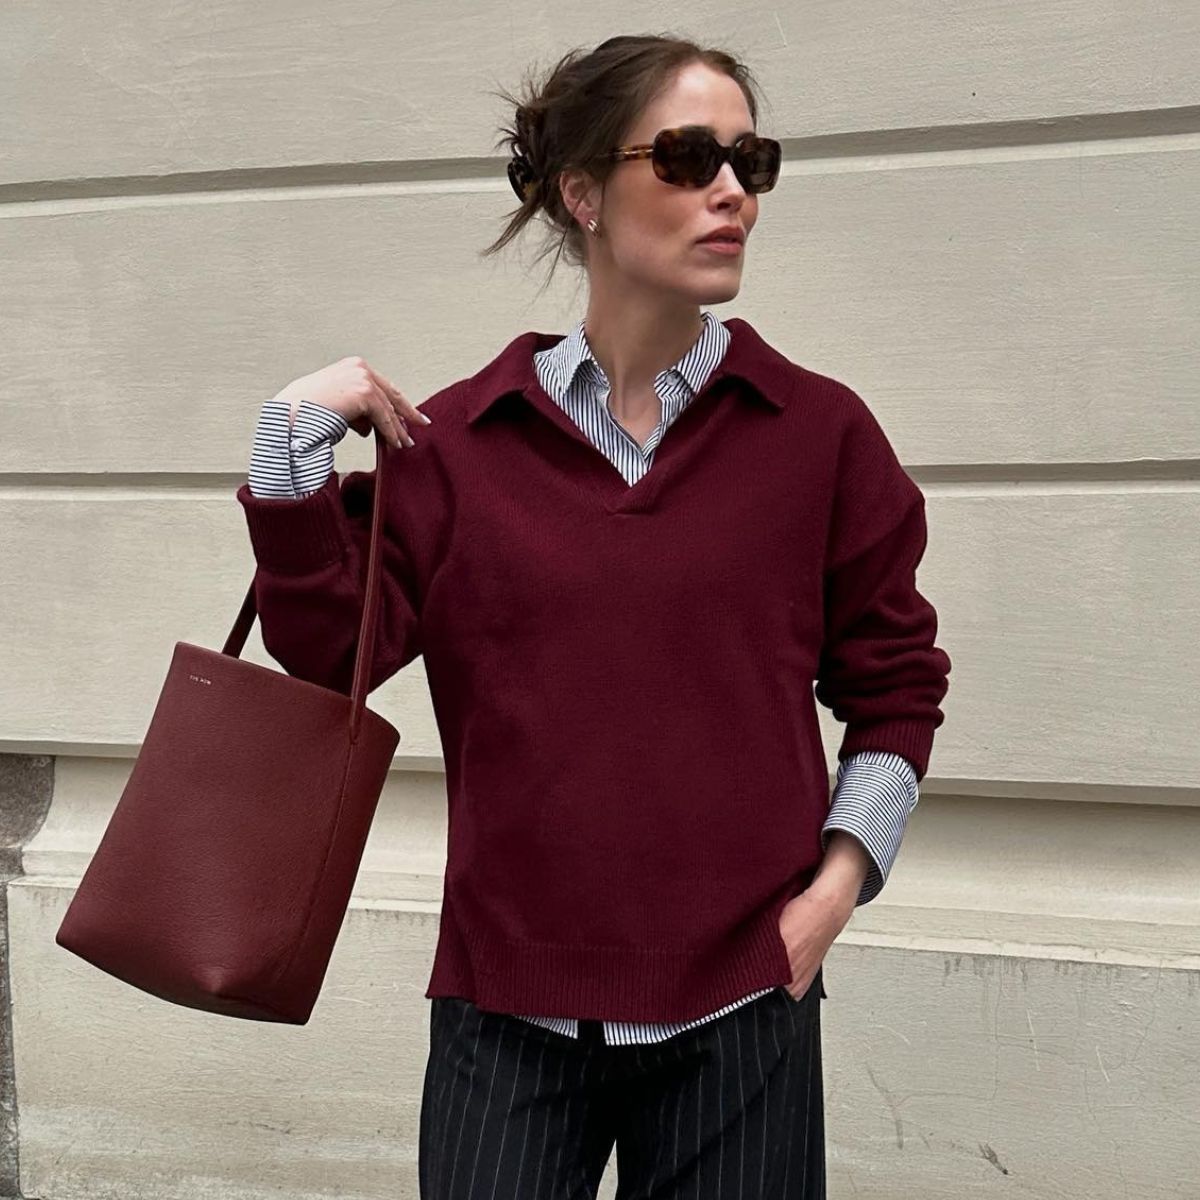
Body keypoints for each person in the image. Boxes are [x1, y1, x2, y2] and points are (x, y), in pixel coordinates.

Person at [237, 33, 952, 1200]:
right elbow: (329, 657)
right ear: (581, 192)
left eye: (749, 160)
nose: (730, 192)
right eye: (685, 158)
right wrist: (287, 449)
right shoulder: (459, 448)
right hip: (502, 1014)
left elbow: (896, 690)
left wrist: (834, 893)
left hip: (741, 1010)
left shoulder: (820, 438)